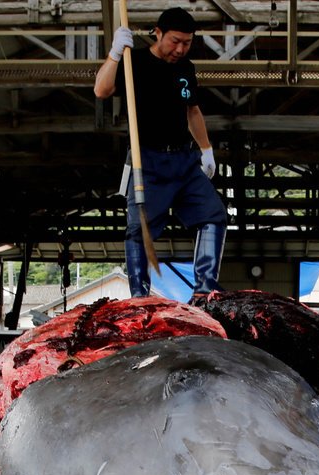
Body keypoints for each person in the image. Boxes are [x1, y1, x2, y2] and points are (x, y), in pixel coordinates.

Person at [95, 7, 226, 303]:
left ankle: (206, 290)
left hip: (184, 160)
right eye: (175, 41)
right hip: (148, 162)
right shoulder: (135, 61)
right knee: (138, 231)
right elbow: (101, 90)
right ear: (158, 32)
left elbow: (193, 111)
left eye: (187, 43)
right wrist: (116, 53)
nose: (180, 49)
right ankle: (140, 297)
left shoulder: (186, 69)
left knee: (214, 216)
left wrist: (206, 149)